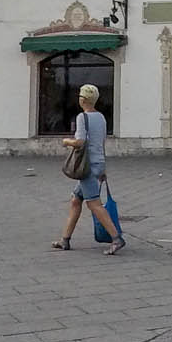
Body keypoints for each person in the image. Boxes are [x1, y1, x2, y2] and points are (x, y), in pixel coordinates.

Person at [50, 84, 124, 254]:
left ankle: (116, 238)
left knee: (94, 204)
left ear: (83, 99)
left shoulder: (82, 117)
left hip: (87, 167)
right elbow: (101, 143)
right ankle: (65, 240)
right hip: (97, 164)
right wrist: (103, 168)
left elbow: (80, 142)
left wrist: (66, 142)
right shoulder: (101, 117)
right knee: (76, 200)